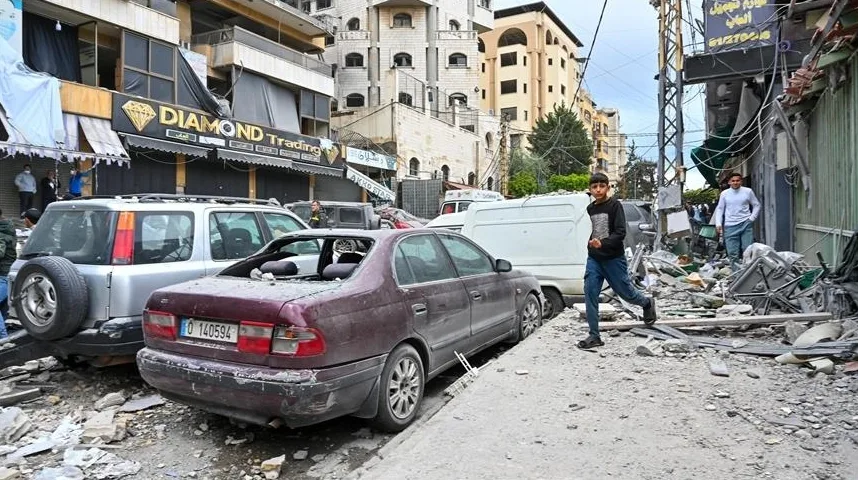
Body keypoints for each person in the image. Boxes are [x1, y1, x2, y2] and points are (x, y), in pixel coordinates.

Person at [578, 173, 657, 349]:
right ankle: (594, 335)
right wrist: (591, 244)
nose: (598, 189)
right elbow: (591, 230)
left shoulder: (615, 206)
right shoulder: (590, 209)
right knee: (590, 292)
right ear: (590, 189)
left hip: (613, 258)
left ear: (607, 187)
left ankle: (646, 303)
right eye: (594, 186)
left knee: (626, 293)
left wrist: (602, 243)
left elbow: (620, 232)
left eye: (601, 186)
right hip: (594, 259)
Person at [714, 172, 761, 270]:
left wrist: (751, 218)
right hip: (730, 226)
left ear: (741, 181)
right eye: (733, 181)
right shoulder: (724, 194)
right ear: (729, 182)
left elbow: (756, 205)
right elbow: (720, 209)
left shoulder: (748, 191)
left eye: (737, 180)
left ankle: (749, 273)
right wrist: (718, 223)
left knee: (748, 250)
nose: (735, 183)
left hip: (745, 224)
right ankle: (737, 276)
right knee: (732, 253)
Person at [0, 208, 17, 339]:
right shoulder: (7, 228)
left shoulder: (1, 232)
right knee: (4, 311)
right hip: (9, 275)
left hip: (3, 276)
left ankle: (3, 339)